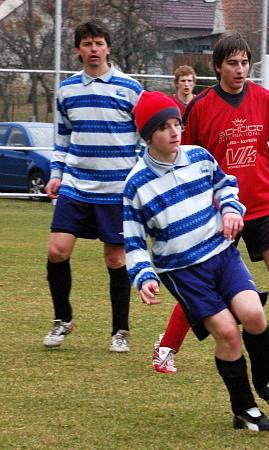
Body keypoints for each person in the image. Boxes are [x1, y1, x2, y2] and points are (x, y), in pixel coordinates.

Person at [152, 32, 269, 376]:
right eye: (232, 62)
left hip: (262, 201)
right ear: (218, 67)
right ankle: (166, 347)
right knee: (206, 281)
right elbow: (184, 159)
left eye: (245, 62)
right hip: (217, 208)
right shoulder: (201, 107)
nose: (240, 69)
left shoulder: (265, 100)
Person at [124, 91, 269, 431]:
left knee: (253, 314)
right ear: (148, 135)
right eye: (164, 127)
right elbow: (132, 239)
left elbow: (226, 185)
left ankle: (264, 382)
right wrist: (143, 274)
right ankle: (244, 409)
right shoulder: (136, 184)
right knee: (229, 333)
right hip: (183, 270)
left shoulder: (199, 157)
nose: (175, 132)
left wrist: (232, 209)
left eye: (177, 124)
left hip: (222, 254)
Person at [42, 20, 142, 352]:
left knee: (116, 260)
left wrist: (140, 179)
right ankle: (62, 319)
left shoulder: (130, 89)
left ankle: (120, 331)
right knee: (57, 251)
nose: (94, 49)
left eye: (99, 42)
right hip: (76, 184)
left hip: (116, 189)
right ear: (78, 50)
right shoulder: (67, 90)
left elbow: (144, 140)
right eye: (87, 44)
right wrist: (56, 173)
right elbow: (63, 137)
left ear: (108, 48)